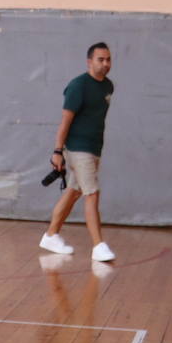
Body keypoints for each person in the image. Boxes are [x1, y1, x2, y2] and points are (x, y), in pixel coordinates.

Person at [38, 42, 116, 262]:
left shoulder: (108, 86)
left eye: (108, 59)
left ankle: (51, 235)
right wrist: (57, 151)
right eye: (101, 59)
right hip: (77, 148)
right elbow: (66, 121)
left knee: (74, 191)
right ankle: (98, 245)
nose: (106, 64)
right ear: (89, 61)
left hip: (94, 148)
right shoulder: (78, 86)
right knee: (92, 193)